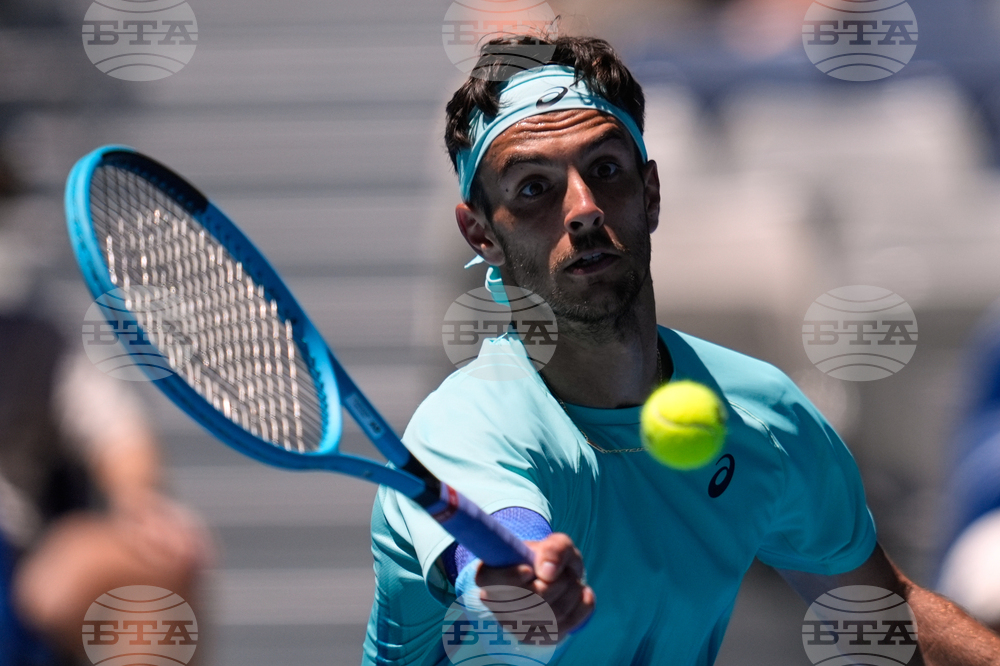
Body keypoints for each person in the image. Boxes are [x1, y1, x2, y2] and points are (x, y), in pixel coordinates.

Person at [363, 35, 1000, 664]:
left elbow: (881, 614)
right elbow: (500, 551)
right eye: (534, 188)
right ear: (480, 234)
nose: (583, 208)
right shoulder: (462, 428)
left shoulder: (763, 414)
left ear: (651, 194)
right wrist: (524, 577)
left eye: (605, 170)